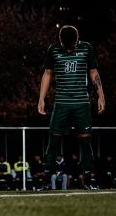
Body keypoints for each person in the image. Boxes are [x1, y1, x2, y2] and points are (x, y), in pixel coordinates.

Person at [38, 25, 105, 190]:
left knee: (85, 142)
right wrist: (41, 99)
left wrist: (101, 96)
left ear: (77, 40)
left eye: (72, 47)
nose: (69, 50)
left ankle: (88, 180)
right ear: (60, 42)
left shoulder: (86, 48)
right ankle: (47, 181)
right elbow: (47, 74)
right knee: (53, 142)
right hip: (61, 103)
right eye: (66, 48)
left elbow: (93, 72)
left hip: (81, 103)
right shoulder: (53, 50)